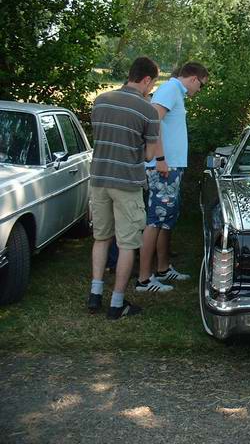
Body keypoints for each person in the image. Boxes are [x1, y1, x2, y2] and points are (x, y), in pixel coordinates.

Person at [87, 57, 160, 318]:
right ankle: (117, 303)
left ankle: (95, 294)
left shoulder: (101, 100)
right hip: (127, 182)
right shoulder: (147, 109)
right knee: (128, 243)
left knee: (101, 237)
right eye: (152, 84)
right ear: (146, 80)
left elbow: (101, 137)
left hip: (99, 178)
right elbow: (150, 155)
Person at [136, 61, 209, 291]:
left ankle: (163, 268)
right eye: (202, 85)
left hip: (171, 167)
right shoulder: (170, 89)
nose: (200, 90)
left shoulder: (176, 92)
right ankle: (144, 279)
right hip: (163, 167)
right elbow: (153, 120)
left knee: (166, 219)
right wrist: (160, 159)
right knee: (155, 220)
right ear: (194, 79)